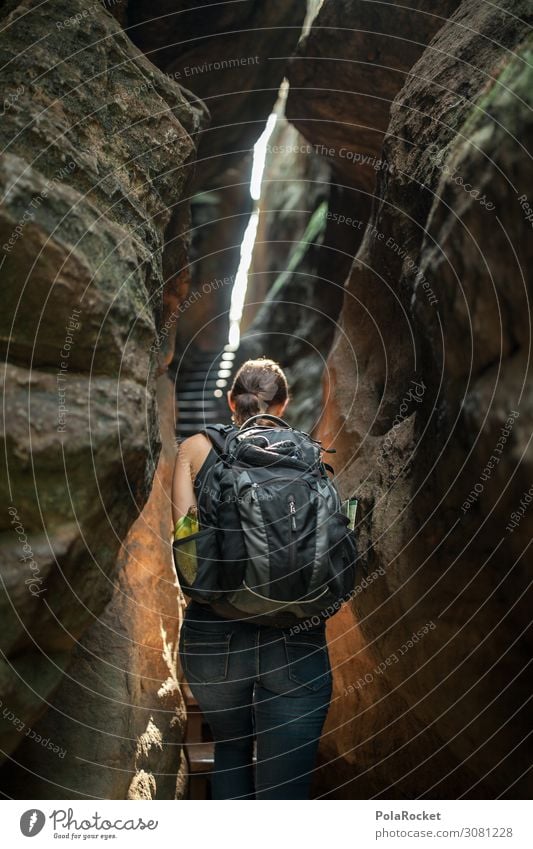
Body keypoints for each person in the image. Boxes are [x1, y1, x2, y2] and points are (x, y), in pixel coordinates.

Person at [171, 357, 332, 800]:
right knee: (285, 790)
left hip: (214, 639)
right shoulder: (308, 453)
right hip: (296, 637)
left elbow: (185, 545)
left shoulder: (193, 450)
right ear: (283, 404)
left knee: (230, 750)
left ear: (230, 401)